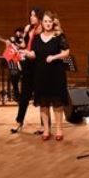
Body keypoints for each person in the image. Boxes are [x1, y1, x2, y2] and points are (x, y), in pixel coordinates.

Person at [33, 10, 71, 141]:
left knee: (57, 103)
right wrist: (25, 53)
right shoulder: (37, 37)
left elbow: (66, 52)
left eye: (50, 21)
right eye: (45, 21)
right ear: (42, 23)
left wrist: (54, 57)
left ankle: (59, 129)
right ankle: (46, 130)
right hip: (41, 74)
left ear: (53, 22)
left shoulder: (59, 36)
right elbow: (34, 54)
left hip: (56, 74)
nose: (48, 23)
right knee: (43, 103)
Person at [11, 7, 44, 135]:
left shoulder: (43, 30)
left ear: (39, 16)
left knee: (41, 97)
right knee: (24, 95)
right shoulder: (28, 28)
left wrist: (30, 52)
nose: (31, 17)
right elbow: (25, 45)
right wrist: (15, 44)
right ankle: (19, 121)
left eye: (34, 15)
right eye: (31, 15)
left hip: (39, 65)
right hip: (28, 65)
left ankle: (44, 125)